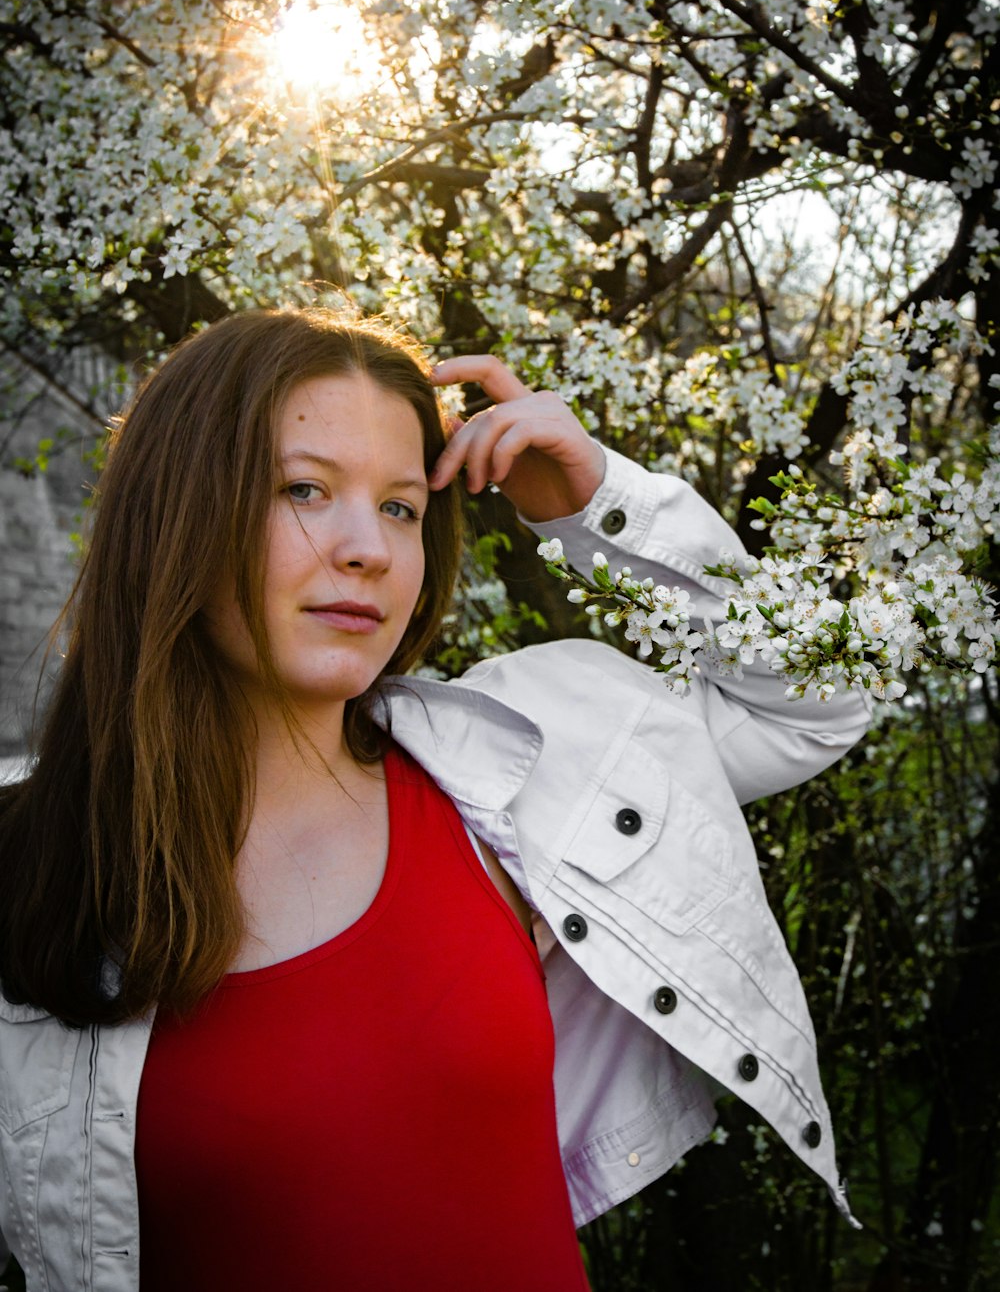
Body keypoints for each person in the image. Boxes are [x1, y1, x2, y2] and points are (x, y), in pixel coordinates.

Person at [0, 305, 871, 1291]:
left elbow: (815, 704)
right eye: (304, 490)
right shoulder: (35, 860)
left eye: (403, 506)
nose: (367, 548)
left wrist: (597, 506)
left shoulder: (521, 769)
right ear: (176, 514)